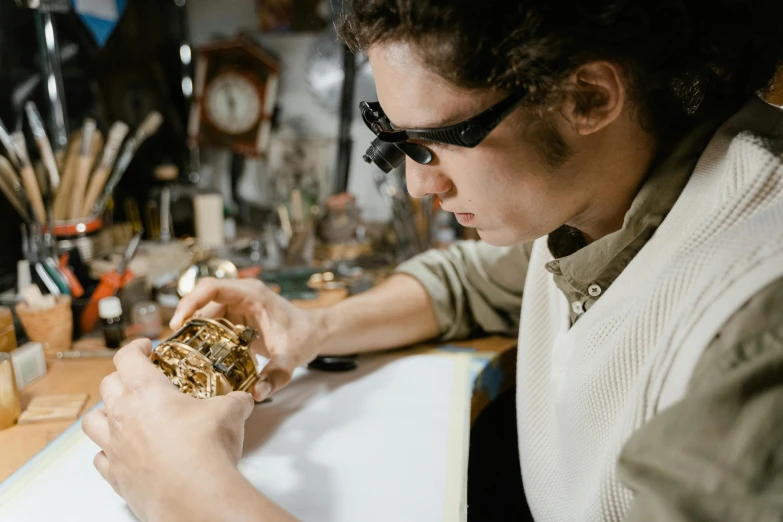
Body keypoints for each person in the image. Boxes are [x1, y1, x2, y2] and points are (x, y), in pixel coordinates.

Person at [82, 1, 783, 520]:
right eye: (397, 140)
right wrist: (310, 329)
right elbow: (469, 283)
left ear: (587, 97)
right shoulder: (595, 205)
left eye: (440, 141)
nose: (419, 183)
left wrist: (190, 492)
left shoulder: (753, 323)